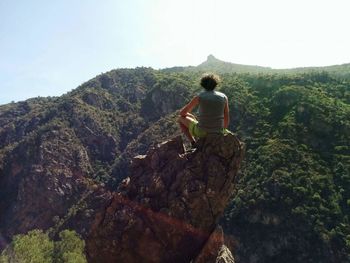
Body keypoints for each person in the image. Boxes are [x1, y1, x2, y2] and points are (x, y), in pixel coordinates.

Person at [177, 73, 230, 146]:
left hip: (202, 132)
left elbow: (182, 113)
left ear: (203, 84)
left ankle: (193, 142)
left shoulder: (200, 97)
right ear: (215, 84)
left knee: (180, 119)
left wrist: (188, 114)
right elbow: (226, 117)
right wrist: (222, 130)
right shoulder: (224, 97)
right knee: (192, 118)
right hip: (218, 132)